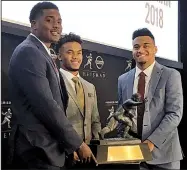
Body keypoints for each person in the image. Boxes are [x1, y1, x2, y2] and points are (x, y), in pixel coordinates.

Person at [8, 2, 96, 169]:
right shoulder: (29, 52)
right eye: (50, 20)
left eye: (59, 21)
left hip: (50, 149)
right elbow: (46, 105)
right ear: (33, 24)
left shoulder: (42, 53)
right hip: (36, 150)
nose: (56, 25)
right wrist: (78, 144)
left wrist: (67, 146)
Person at [118, 28, 183, 169]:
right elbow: (123, 114)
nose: (140, 50)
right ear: (132, 52)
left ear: (155, 49)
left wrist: (151, 142)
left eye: (146, 46)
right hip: (133, 156)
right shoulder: (122, 79)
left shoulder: (171, 75)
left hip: (165, 156)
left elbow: (174, 114)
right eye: (136, 47)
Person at [57, 33, 101, 165]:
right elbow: (54, 122)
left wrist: (97, 146)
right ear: (59, 56)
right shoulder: (53, 82)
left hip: (88, 155)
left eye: (79, 52)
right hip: (63, 155)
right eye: (70, 52)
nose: (75, 57)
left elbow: (95, 121)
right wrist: (69, 148)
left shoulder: (90, 87)